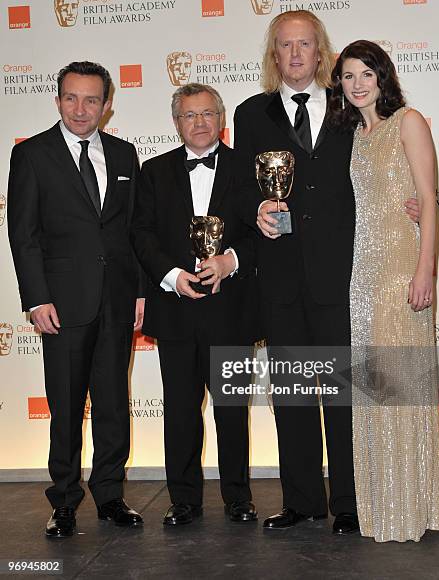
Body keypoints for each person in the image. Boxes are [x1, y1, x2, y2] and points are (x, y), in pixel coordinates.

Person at [233, 10, 419, 535]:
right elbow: (240, 188)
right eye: (286, 45)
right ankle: (301, 501)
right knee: (291, 395)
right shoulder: (251, 114)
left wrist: (410, 203)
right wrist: (255, 212)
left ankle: (349, 502)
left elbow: (385, 160)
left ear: (323, 54)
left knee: (342, 395)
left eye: (305, 45)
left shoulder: (351, 106)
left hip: (345, 274)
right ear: (275, 55)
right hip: (281, 277)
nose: (296, 54)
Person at [8, 61, 144, 538]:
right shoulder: (32, 155)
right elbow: (22, 235)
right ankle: (64, 500)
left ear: (107, 105)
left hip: (117, 299)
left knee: (113, 403)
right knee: (65, 406)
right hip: (61, 305)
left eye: (91, 99)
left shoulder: (126, 155)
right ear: (57, 100)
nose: (81, 109)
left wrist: (142, 291)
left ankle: (110, 495)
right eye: (71, 98)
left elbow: (132, 232)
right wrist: (36, 298)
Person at [328, 40, 439, 542]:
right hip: (361, 273)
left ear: (383, 77)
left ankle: (413, 507)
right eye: (348, 76)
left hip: (401, 268)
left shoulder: (409, 122)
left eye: (366, 74)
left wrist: (426, 270)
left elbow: (429, 201)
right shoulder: (354, 136)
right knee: (374, 389)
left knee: (401, 388)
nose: (357, 84)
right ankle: (382, 503)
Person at [130, 83, 258, 526]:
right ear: (176, 122)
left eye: (207, 114)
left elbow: (264, 233)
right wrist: (172, 277)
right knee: (180, 411)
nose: (199, 123)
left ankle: (238, 497)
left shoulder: (248, 167)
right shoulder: (154, 171)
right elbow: (142, 235)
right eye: (189, 115)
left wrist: (230, 261)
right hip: (176, 309)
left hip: (232, 310)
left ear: (220, 120)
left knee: (231, 410)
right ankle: (183, 498)